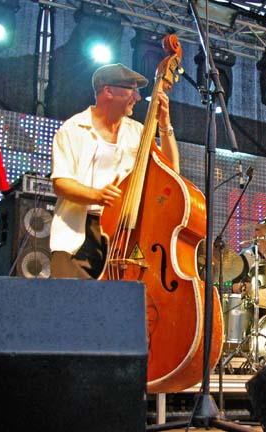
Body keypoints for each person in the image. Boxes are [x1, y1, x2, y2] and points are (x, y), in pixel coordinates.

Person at [49, 63, 178, 279]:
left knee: (119, 298)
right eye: (131, 90)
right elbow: (61, 183)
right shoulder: (73, 129)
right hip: (79, 232)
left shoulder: (137, 132)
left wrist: (164, 125)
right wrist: (97, 195)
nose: (137, 97)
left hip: (124, 231)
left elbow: (171, 171)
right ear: (108, 91)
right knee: (72, 298)